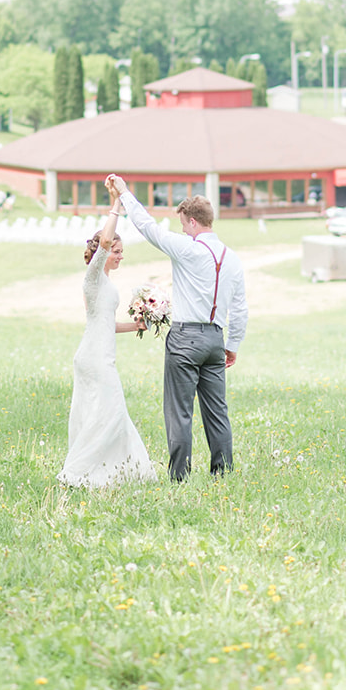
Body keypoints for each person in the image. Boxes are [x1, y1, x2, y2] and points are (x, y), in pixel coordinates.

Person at [106, 174, 248, 481]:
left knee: (180, 412)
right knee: (218, 412)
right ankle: (223, 473)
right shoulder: (233, 259)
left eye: (184, 224)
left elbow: (147, 227)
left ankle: (179, 477)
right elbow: (240, 309)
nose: (183, 230)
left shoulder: (188, 248)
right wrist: (232, 345)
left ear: (194, 223)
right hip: (215, 339)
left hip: (185, 338)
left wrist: (126, 194)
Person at [58, 192, 156, 489]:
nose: (120, 255)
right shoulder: (93, 277)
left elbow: (105, 324)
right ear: (104, 251)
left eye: (121, 251)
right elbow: (104, 243)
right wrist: (116, 206)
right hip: (94, 357)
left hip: (99, 352)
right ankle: (77, 472)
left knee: (105, 412)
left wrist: (136, 325)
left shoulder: (106, 284)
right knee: (111, 412)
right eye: (117, 250)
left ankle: (118, 470)